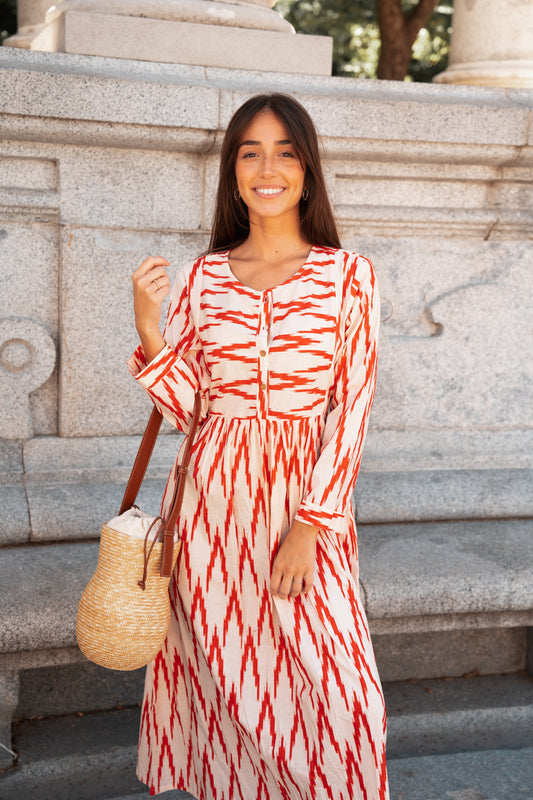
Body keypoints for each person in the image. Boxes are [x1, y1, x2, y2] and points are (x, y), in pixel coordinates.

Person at [129, 93, 388, 800]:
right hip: (210, 509)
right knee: (230, 688)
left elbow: (352, 407)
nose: (266, 168)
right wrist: (151, 328)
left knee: (343, 700)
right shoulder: (203, 279)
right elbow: (188, 411)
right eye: (250, 152)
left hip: (304, 510)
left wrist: (311, 525)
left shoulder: (348, 277)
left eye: (283, 151)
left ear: (307, 167)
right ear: (232, 170)